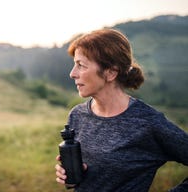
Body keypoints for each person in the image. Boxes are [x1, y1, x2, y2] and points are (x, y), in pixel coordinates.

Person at [55, 28, 188, 192]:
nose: (72, 74)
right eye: (74, 65)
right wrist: (73, 173)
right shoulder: (77, 115)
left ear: (111, 72)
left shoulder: (146, 122)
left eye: (81, 65)